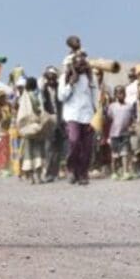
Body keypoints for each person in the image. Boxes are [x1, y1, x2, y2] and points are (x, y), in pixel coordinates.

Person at [59, 50, 98, 185]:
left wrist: (97, 115)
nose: (81, 64)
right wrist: (71, 83)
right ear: (73, 64)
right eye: (78, 62)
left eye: (83, 61)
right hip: (72, 116)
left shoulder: (90, 77)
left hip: (88, 116)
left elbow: (95, 97)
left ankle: (82, 174)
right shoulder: (64, 77)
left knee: (87, 148)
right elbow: (61, 97)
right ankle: (71, 169)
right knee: (74, 142)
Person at [40, 66, 66, 182]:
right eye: (49, 78)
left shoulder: (60, 88)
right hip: (49, 120)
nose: (51, 81)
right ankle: (48, 173)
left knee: (58, 148)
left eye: (53, 78)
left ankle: (54, 173)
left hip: (60, 120)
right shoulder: (43, 89)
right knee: (49, 148)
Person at [106, 85, 136, 180]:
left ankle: (125, 172)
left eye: (122, 93)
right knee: (114, 154)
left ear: (125, 94)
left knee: (125, 153)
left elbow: (132, 119)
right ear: (115, 95)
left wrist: (131, 127)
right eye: (118, 93)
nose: (121, 95)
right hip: (114, 134)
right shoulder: (112, 106)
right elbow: (109, 118)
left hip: (125, 133)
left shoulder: (129, 107)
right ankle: (114, 172)